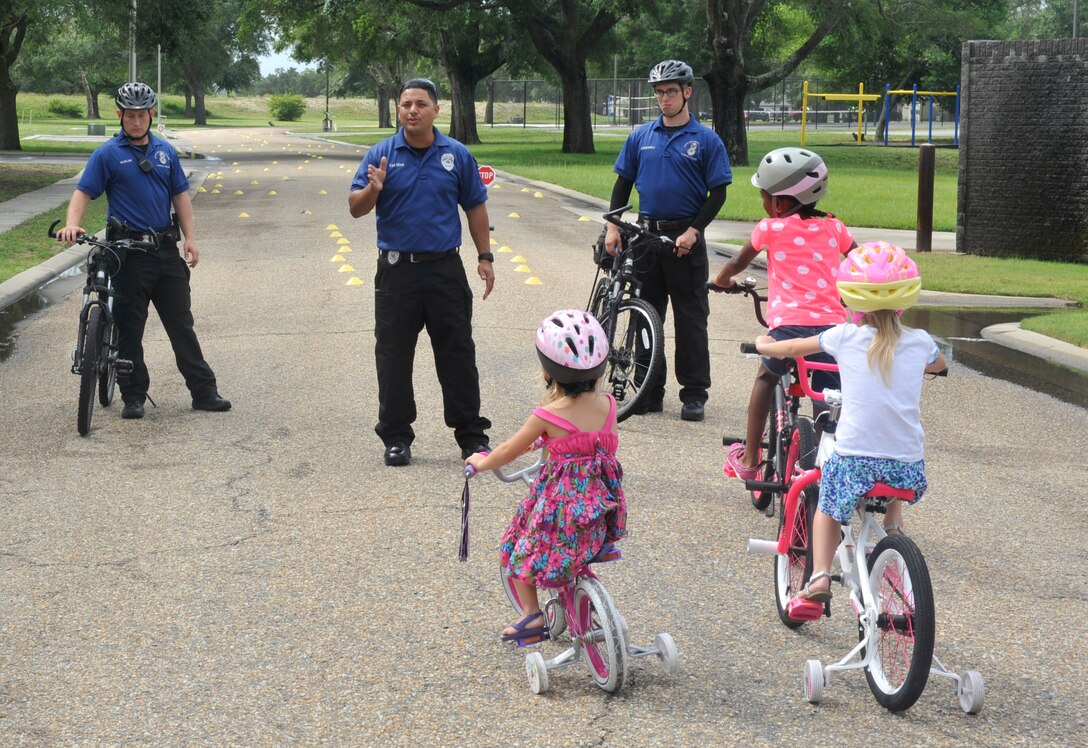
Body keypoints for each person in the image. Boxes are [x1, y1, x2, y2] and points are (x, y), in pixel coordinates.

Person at [754, 242, 947, 602]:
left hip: (856, 463)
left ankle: (820, 577)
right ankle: (893, 523)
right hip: (909, 469)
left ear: (852, 299)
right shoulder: (921, 342)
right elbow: (938, 364)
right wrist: (933, 366)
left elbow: (794, 349)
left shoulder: (844, 336)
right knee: (894, 447)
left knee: (828, 506)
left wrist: (764, 345)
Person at [56, 82, 229, 420]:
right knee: (130, 329)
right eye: (129, 115)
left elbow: (180, 197)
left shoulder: (165, 152)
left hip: (165, 251)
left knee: (181, 325)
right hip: (128, 254)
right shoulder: (107, 154)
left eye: (142, 115)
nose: (136, 121)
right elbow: (83, 193)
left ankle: (204, 392)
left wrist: (190, 238)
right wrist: (72, 224)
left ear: (152, 115)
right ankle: (133, 396)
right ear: (119, 115)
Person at [349, 78, 494, 467]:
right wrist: (373, 190)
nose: (412, 110)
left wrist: (485, 256)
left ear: (436, 110)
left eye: (420, 104)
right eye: (405, 104)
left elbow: (475, 206)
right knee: (394, 356)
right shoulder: (380, 154)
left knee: (458, 353)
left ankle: (471, 435)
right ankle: (396, 437)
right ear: (398, 110)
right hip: (397, 272)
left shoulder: (457, 155)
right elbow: (355, 208)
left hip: (445, 269)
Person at [465, 310, 627, 642]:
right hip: (600, 514)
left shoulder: (546, 415)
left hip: (563, 514)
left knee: (516, 547)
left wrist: (481, 463)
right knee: (565, 547)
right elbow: (589, 444)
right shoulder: (609, 405)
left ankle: (532, 616)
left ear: (547, 370)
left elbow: (509, 450)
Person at [711, 147, 857, 481]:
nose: (764, 204)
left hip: (788, 329)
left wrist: (721, 281)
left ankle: (749, 459)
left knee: (766, 377)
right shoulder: (835, 228)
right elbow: (859, 259)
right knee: (826, 396)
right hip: (831, 331)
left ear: (778, 202)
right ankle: (827, 464)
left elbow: (737, 263)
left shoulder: (770, 228)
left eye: (764, 197)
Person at [604, 59, 732, 422]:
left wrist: (695, 230)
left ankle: (694, 393)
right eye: (659, 93)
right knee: (646, 315)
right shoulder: (640, 136)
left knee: (690, 317)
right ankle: (648, 389)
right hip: (646, 236)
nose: (665, 99)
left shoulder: (705, 139)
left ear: (687, 92)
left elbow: (718, 192)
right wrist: (614, 227)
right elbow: (622, 184)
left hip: (685, 236)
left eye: (671, 92)